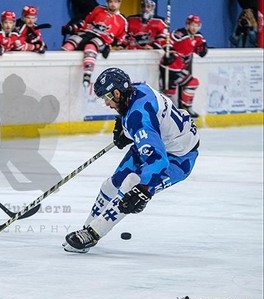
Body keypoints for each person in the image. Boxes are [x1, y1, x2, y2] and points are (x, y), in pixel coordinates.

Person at [63, 67, 200, 253]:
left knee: (131, 186)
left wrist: (144, 190)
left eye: (107, 98)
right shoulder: (135, 90)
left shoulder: (139, 120)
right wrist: (122, 124)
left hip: (179, 157)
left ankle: (94, 233)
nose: (106, 103)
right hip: (162, 141)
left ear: (117, 93)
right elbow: (141, 112)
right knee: (110, 185)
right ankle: (86, 227)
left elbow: (158, 160)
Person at [61, 0, 127, 87]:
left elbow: (121, 39)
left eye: (115, 2)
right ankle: (59, 70)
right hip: (87, 33)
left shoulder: (123, 21)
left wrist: (112, 46)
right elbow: (86, 23)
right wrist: (72, 28)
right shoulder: (98, 9)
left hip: (102, 39)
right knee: (71, 43)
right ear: (107, 2)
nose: (113, 4)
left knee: (91, 46)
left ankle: (87, 76)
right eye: (110, 1)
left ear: (120, 3)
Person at [159, 15, 207, 118]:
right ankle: (164, 115)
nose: (194, 28)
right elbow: (165, 41)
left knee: (192, 83)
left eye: (197, 25)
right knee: (168, 93)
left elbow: (201, 49)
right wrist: (170, 52)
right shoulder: (179, 33)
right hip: (169, 67)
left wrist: (203, 49)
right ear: (188, 25)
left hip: (180, 68)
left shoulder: (198, 36)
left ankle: (186, 107)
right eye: (193, 25)